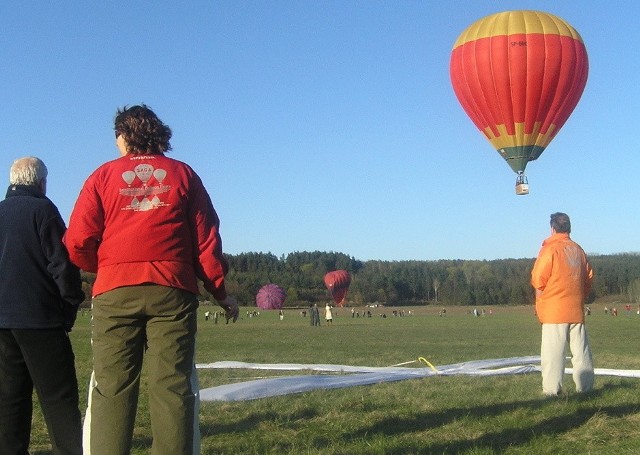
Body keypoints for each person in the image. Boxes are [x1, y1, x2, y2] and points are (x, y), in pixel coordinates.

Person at [63, 105, 239, 455]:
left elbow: (78, 241)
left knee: (111, 388)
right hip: (172, 291)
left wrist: (106, 268)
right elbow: (206, 242)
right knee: (173, 387)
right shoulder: (184, 175)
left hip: (115, 291)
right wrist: (220, 292)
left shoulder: (101, 176)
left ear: (124, 136)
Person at [0, 157, 84, 455]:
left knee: (11, 397)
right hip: (40, 318)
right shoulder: (43, 210)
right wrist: (71, 303)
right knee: (58, 397)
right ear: (41, 182)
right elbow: (62, 264)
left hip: (3, 320)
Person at [531, 212, 594, 397]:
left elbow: (538, 279)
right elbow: (588, 278)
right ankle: (586, 389)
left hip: (553, 311)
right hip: (576, 310)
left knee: (553, 355)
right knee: (581, 353)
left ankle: (552, 391)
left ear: (552, 229)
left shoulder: (550, 249)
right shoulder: (578, 250)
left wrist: (540, 305)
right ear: (569, 228)